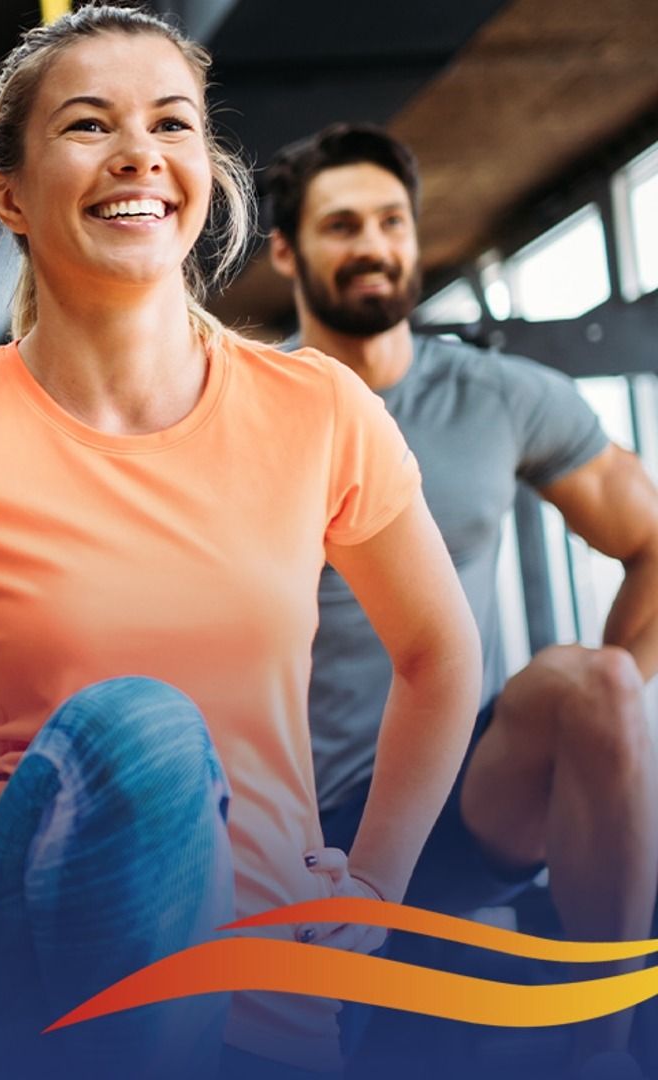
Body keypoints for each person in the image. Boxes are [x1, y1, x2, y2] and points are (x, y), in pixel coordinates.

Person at [0, 9, 480, 1079]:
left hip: (267, 999)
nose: (139, 153)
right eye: (88, 125)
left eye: (171, 124)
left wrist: (376, 883)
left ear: (202, 172)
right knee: (144, 728)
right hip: (22, 993)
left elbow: (439, 654)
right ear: (9, 195)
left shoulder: (317, 410)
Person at [265, 122, 658, 1073]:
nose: (373, 243)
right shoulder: (243, 409)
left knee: (598, 687)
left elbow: (650, 538)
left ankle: (608, 1049)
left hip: (454, 788)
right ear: (287, 251)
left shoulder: (495, 396)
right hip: (290, 816)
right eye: (343, 223)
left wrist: (617, 738)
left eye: (392, 221)